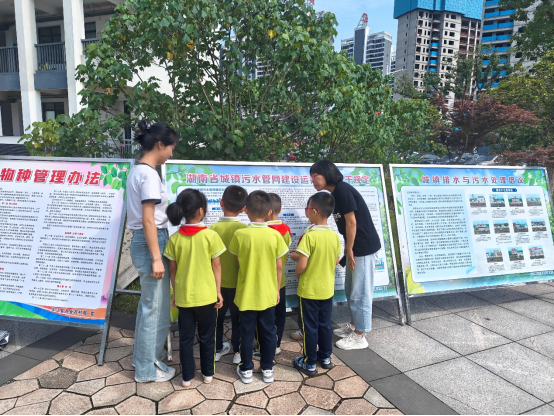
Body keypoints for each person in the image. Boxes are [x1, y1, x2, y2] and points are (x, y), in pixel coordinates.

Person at [310, 161, 382, 351]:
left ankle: (360, 335)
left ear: (327, 174)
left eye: (315, 176)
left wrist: (349, 249)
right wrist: (348, 248)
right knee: (351, 289)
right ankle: (354, 324)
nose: (312, 180)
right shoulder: (336, 193)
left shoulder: (343, 191)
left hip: (363, 248)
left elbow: (351, 222)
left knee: (360, 292)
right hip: (355, 248)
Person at [127, 121, 178, 383]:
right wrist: (157, 258)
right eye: (171, 147)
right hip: (151, 243)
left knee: (149, 307)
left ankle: (143, 360)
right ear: (160, 144)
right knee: (154, 310)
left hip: (146, 241)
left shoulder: (137, 170)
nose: (171, 153)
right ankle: (147, 369)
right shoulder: (149, 175)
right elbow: (149, 220)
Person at [164, 189, 226, 387]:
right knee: (207, 337)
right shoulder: (211, 236)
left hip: (184, 298)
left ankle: (187, 377)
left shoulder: (174, 239)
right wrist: (218, 291)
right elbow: (217, 266)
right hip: (207, 297)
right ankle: (207, 374)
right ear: (201, 211)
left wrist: (175, 293)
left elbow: (172, 270)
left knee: (185, 339)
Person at [229, 191, 289, 385]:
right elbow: (279, 266)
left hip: (246, 294)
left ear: (246, 210)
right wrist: (277, 289)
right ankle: (267, 369)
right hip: (268, 293)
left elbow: (238, 259)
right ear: (269, 212)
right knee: (269, 332)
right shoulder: (275, 235)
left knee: (246, 333)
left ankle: (246, 369)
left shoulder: (240, 234)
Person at [290, 192, 342, 376]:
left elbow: (302, 264)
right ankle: (325, 358)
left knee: (309, 327)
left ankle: (309, 363)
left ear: (314, 211)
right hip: (326, 290)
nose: (306, 212)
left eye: (307, 208)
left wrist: (298, 273)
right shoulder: (334, 236)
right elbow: (336, 260)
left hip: (309, 291)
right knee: (325, 324)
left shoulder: (309, 236)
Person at [209, 185, 249, 364]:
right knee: (238, 318)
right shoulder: (244, 229)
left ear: (221, 203)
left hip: (215, 285)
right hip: (239, 284)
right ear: (243, 208)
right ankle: (238, 351)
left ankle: (216, 349)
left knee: (216, 318)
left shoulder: (211, 229)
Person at [253, 194, 291, 359]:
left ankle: (262, 345)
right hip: (280, 281)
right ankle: (276, 344)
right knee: (279, 314)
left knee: (262, 316)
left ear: (266, 211)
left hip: (263, 281)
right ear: (279, 210)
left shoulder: (261, 232)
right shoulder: (286, 230)